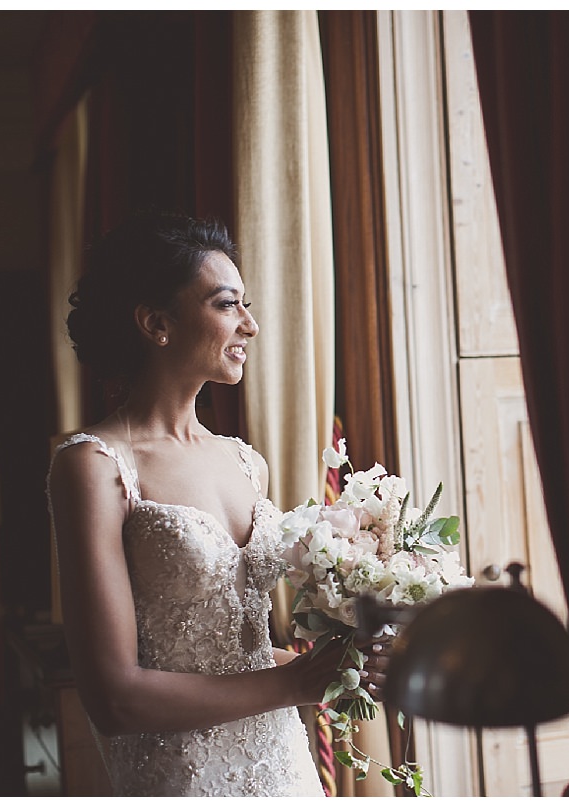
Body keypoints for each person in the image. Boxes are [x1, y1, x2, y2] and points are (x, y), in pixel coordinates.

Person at [46, 210, 380, 796]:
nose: (250, 325)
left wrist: (341, 665)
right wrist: (294, 684)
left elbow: (235, 651)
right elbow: (113, 697)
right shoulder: (95, 467)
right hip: (183, 776)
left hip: (282, 764)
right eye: (227, 304)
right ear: (156, 323)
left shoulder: (245, 463)